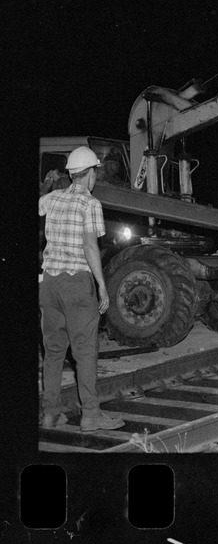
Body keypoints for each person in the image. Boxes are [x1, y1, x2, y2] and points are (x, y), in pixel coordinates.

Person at [39, 146, 125, 432]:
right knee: (85, 352)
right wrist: (101, 286)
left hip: (49, 283)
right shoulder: (90, 204)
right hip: (76, 283)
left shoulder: (51, 199)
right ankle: (90, 415)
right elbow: (90, 246)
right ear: (91, 174)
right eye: (96, 172)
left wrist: (48, 183)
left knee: (53, 351)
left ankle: (50, 414)